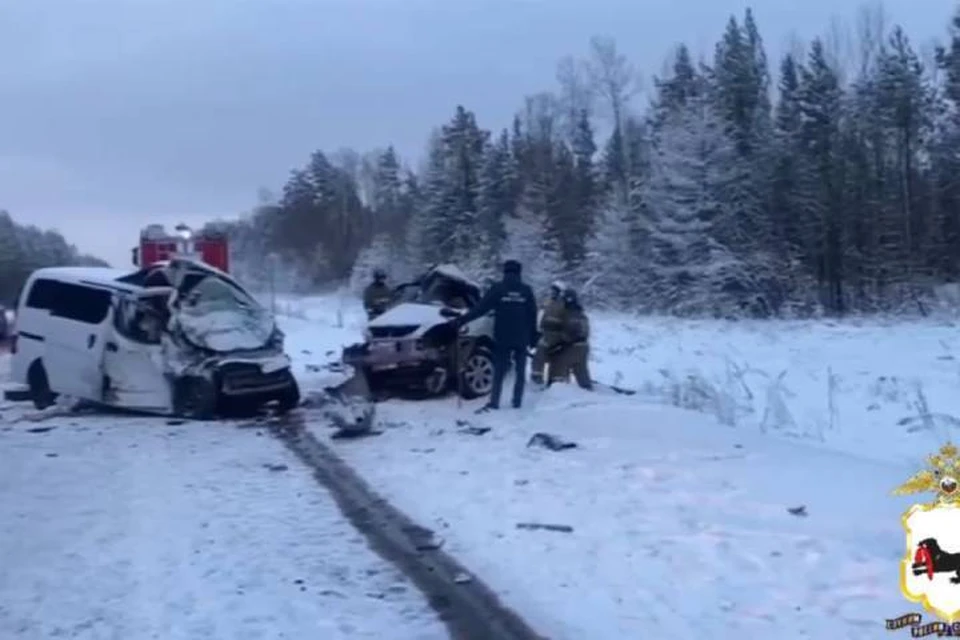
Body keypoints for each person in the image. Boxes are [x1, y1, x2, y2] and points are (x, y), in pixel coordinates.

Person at [452, 259, 538, 412]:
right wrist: (533, 337)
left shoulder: (498, 289)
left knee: (499, 370)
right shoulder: (526, 290)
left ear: (505, 272)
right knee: (520, 371)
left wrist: (462, 320)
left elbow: (481, 309)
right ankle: (517, 402)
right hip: (521, 337)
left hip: (502, 336)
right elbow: (532, 315)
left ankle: (494, 402)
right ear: (519, 272)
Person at [553, 287, 593, 390]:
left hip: (572, 347)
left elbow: (565, 332)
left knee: (560, 367)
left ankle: (559, 392)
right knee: (581, 371)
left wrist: (560, 342)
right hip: (583, 347)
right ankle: (587, 390)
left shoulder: (567, 314)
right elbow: (585, 331)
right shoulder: (580, 313)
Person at [531, 281, 566, 385]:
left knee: (554, 358)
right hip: (546, 333)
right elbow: (541, 316)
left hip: (557, 335)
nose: (552, 293)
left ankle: (555, 380)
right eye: (552, 291)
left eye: (555, 291)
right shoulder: (548, 302)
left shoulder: (564, 304)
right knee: (539, 355)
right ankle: (537, 377)